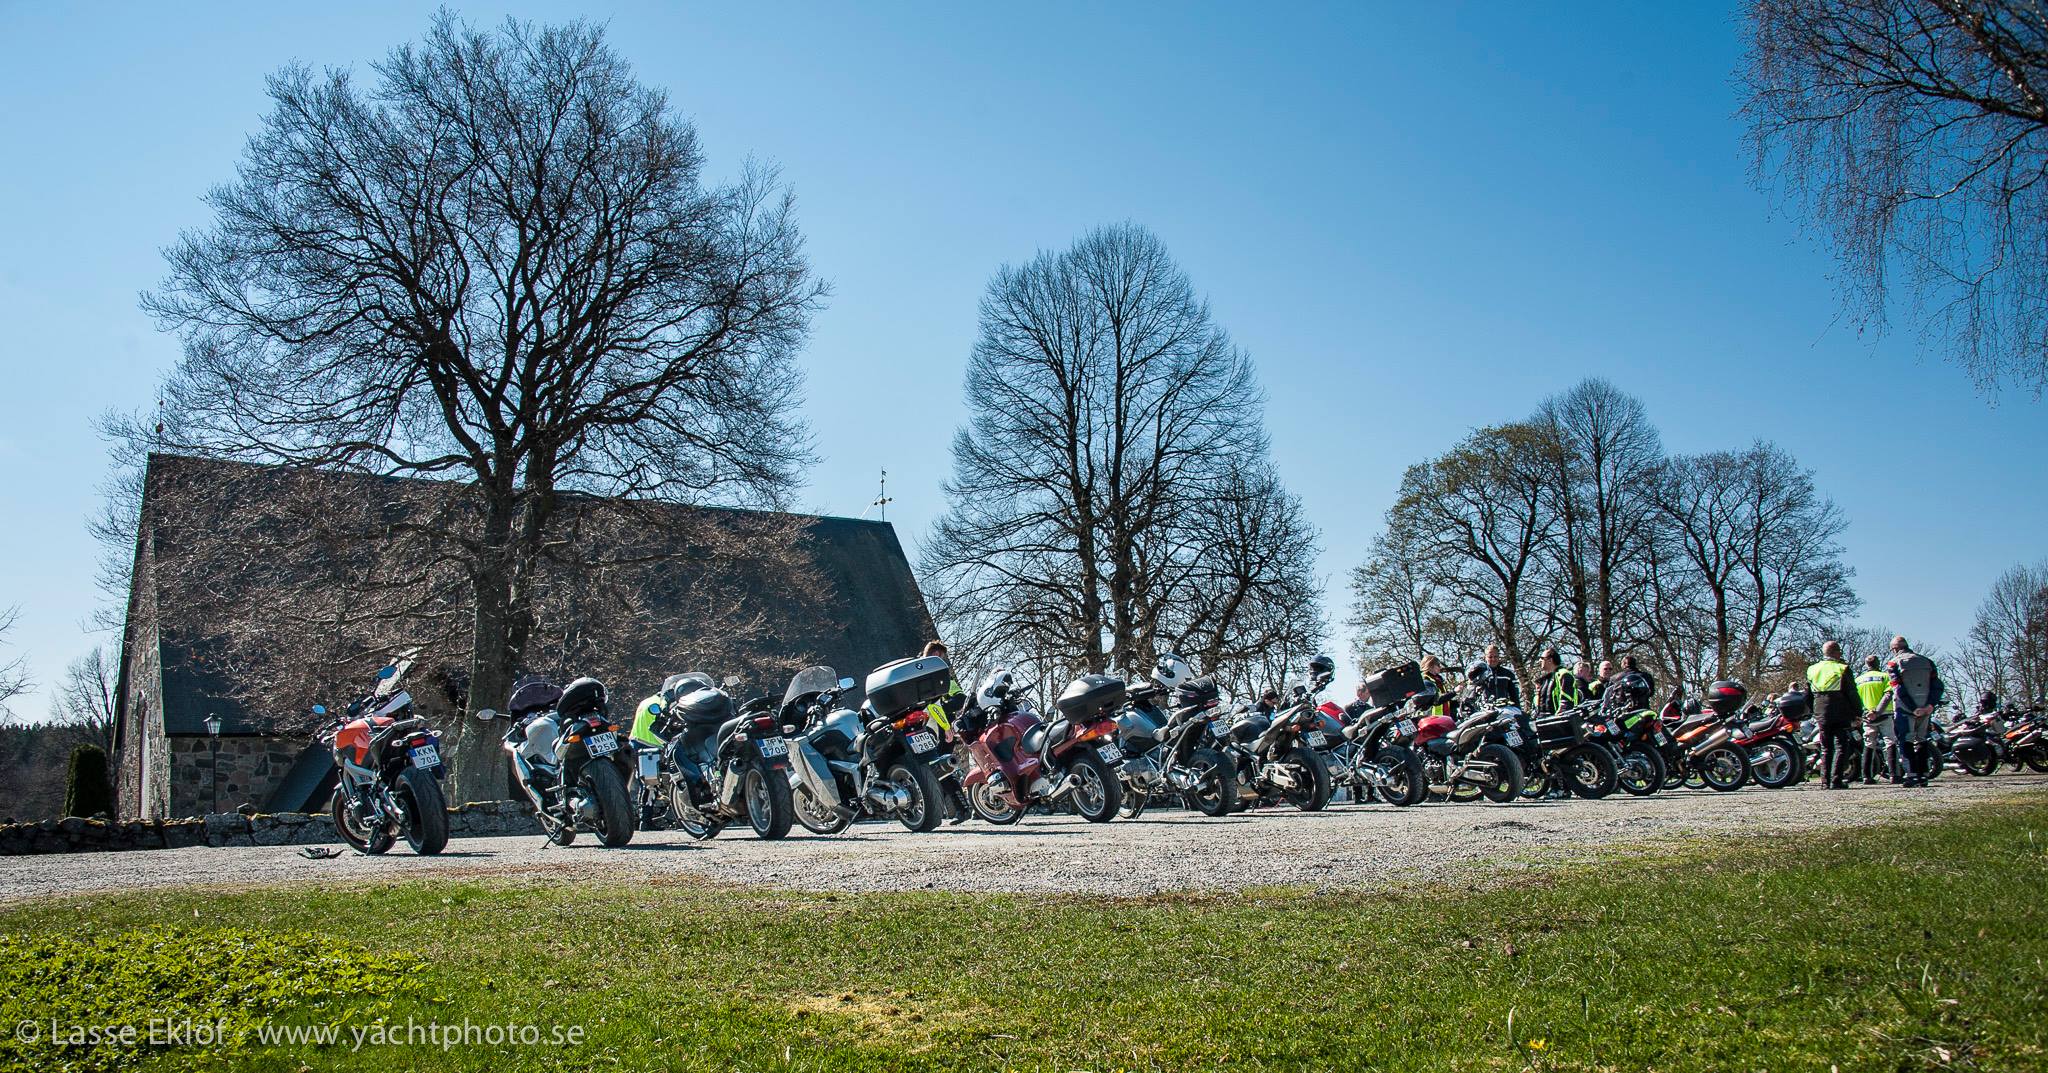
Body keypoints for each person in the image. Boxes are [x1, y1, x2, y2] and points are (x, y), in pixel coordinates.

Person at [918, 640, 970, 824]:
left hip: (942, 731)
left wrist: (941, 708)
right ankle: (948, 810)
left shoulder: (943, 679)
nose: (941, 663)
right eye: (938, 658)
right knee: (930, 772)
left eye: (943, 659)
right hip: (922, 731)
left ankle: (962, 809)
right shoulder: (915, 673)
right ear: (928, 655)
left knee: (942, 770)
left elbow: (961, 698)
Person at [1805, 641, 1863, 789]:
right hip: (1840, 710)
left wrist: (1811, 711)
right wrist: (1858, 712)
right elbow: (1851, 693)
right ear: (1837, 652)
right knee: (1841, 746)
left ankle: (1825, 781)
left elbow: (1808, 694)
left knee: (1825, 747)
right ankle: (1836, 780)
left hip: (1820, 710)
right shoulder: (1842, 668)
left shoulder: (1812, 669)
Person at [1887, 636, 1944, 787]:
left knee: (1905, 741)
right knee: (1922, 740)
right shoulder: (1927, 661)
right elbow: (1937, 685)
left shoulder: (1894, 663)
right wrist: (1930, 705)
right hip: (1926, 708)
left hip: (1905, 709)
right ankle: (1923, 775)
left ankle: (1912, 775)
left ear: (1895, 649)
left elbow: (1898, 688)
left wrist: (1912, 708)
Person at [1855, 656, 1897, 783]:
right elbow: (1888, 694)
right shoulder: (1885, 677)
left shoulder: (1858, 680)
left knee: (1868, 744)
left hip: (1867, 716)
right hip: (1884, 714)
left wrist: (1859, 715)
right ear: (1878, 663)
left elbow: (1855, 699)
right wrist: (1877, 711)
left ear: (1866, 664)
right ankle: (1894, 775)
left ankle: (1866, 776)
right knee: (1890, 742)